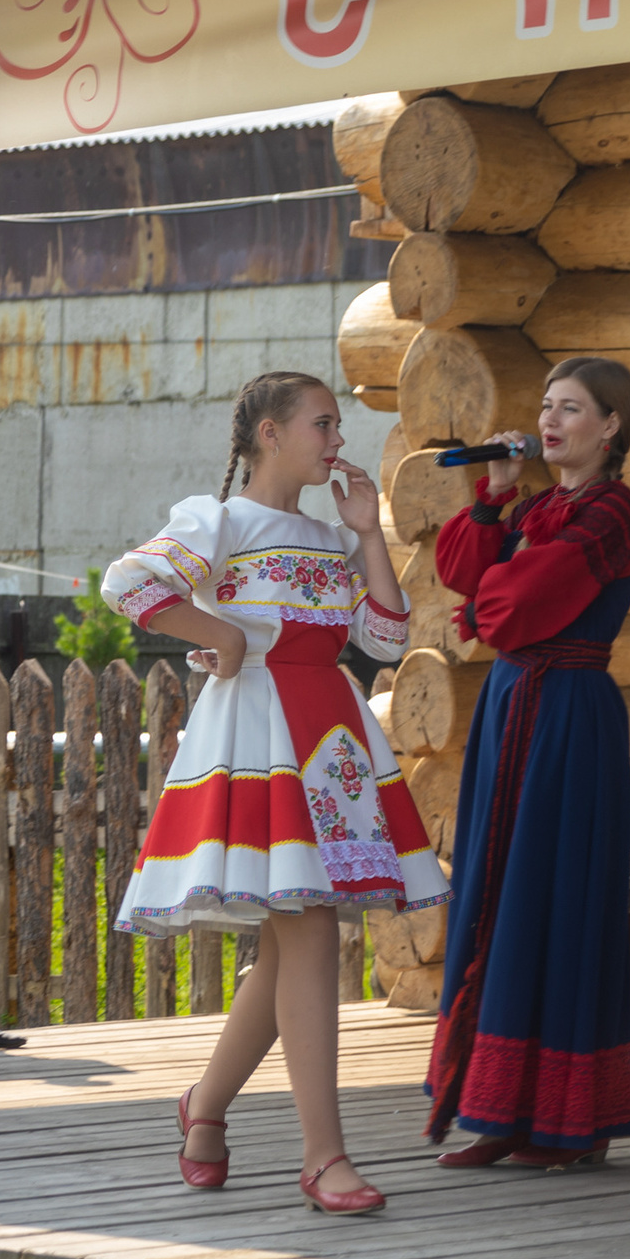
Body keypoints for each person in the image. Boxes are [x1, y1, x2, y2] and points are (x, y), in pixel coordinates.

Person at [105, 370, 448, 1214]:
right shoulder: (217, 520)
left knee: (297, 934)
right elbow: (129, 583)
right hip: (256, 734)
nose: (337, 439)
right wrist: (220, 631)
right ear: (269, 433)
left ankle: (206, 1107)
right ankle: (323, 1155)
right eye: (323, 424)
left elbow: (384, 633)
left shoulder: (331, 536)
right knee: (311, 929)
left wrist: (369, 533)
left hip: (328, 737)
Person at [426, 358, 630, 1170]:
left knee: (553, 895)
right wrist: (491, 495)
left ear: (612, 425)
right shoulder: (539, 505)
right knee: (496, 889)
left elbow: (515, 601)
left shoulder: (616, 511)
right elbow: (463, 571)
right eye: (546, 406)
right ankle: (501, 1108)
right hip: (511, 704)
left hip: (567, 714)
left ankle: (566, 1118)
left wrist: (489, 602)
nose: (552, 421)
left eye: (573, 409)